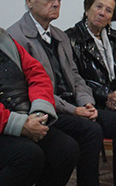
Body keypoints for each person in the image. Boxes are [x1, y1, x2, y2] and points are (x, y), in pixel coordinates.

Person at [7, 0, 116, 186]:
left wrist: (87, 102)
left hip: (74, 104)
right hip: (44, 108)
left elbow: (75, 76)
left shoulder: (59, 36)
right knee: (90, 131)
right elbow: (34, 89)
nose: (56, 3)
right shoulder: (16, 37)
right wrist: (75, 110)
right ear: (29, 0)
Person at [0, 27, 79, 185]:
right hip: (5, 123)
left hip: (24, 115)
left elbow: (37, 74)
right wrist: (18, 125)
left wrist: (38, 113)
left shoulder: (6, 40)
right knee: (28, 155)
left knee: (66, 149)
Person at [65, 0, 116, 112]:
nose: (102, 13)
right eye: (99, 7)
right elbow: (74, 79)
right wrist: (106, 95)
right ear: (87, 9)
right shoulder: (69, 39)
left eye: (108, 10)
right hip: (90, 103)